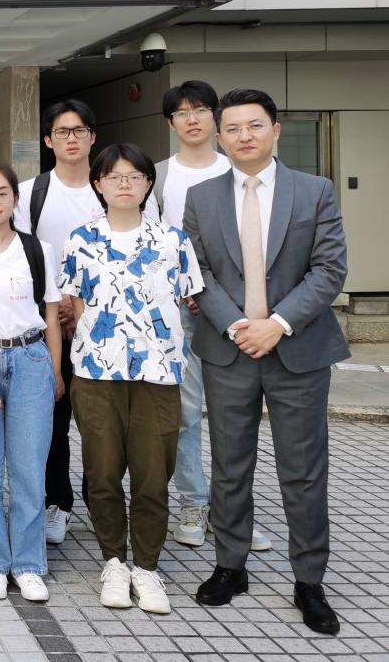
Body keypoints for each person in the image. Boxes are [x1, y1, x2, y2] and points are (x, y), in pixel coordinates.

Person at [183, 89, 348, 636]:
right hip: (228, 349)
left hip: (298, 349)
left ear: (275, 129)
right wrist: (237, 326)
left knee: (303, 471)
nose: (244, 136)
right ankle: (230, 567)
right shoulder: (202, 197)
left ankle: (309, 581)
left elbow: (329, 269)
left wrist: (276, 324)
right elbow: (197, 272)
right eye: (232, 128)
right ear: (220, 137)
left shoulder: (314, 190)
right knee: (230, 466)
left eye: (254, 125)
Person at [59, 143, 202, 616]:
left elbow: (185, 304)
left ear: (147, 184)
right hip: (96, 374)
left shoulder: (173, 241)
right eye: (114, 177)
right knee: (101, 472)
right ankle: (114, 562)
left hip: (158, 375)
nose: (124, 184)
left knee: (153, 474)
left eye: (134, 176)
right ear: (98, 185)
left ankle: (146, 566)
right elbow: (76, 305)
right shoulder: (80, 240)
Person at [157, 83, 272, 554]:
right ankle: (193, 503)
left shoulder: (239, 167)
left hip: (238, 315)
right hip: (178, 313)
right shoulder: (159, 176)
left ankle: (234, 514)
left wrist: (222, 301)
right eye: (182, 113)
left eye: (201, 110)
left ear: (216, 119)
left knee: (236, 417)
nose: (193, 120)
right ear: (171, 124)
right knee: (185, 414)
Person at [0, 162, 63, 605]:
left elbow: (52, 314)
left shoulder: (37, 249)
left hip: (30, 357)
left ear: (15, 199)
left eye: (2, 193)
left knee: (28, 467)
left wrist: (55, 370)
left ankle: (28, 563)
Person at [14, 99, 104, 546]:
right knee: (53, 417)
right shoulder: (31, 193)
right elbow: (22, 255)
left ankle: (102, 502)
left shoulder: (109, 187)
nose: (72, 138)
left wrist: (81, 303)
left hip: (104, 327)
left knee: (101, 423)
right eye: (62, 131)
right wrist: (59, 305)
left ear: (92, 137)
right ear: (48, 140)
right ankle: (58, 503)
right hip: (49, 323)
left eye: (79, 130)